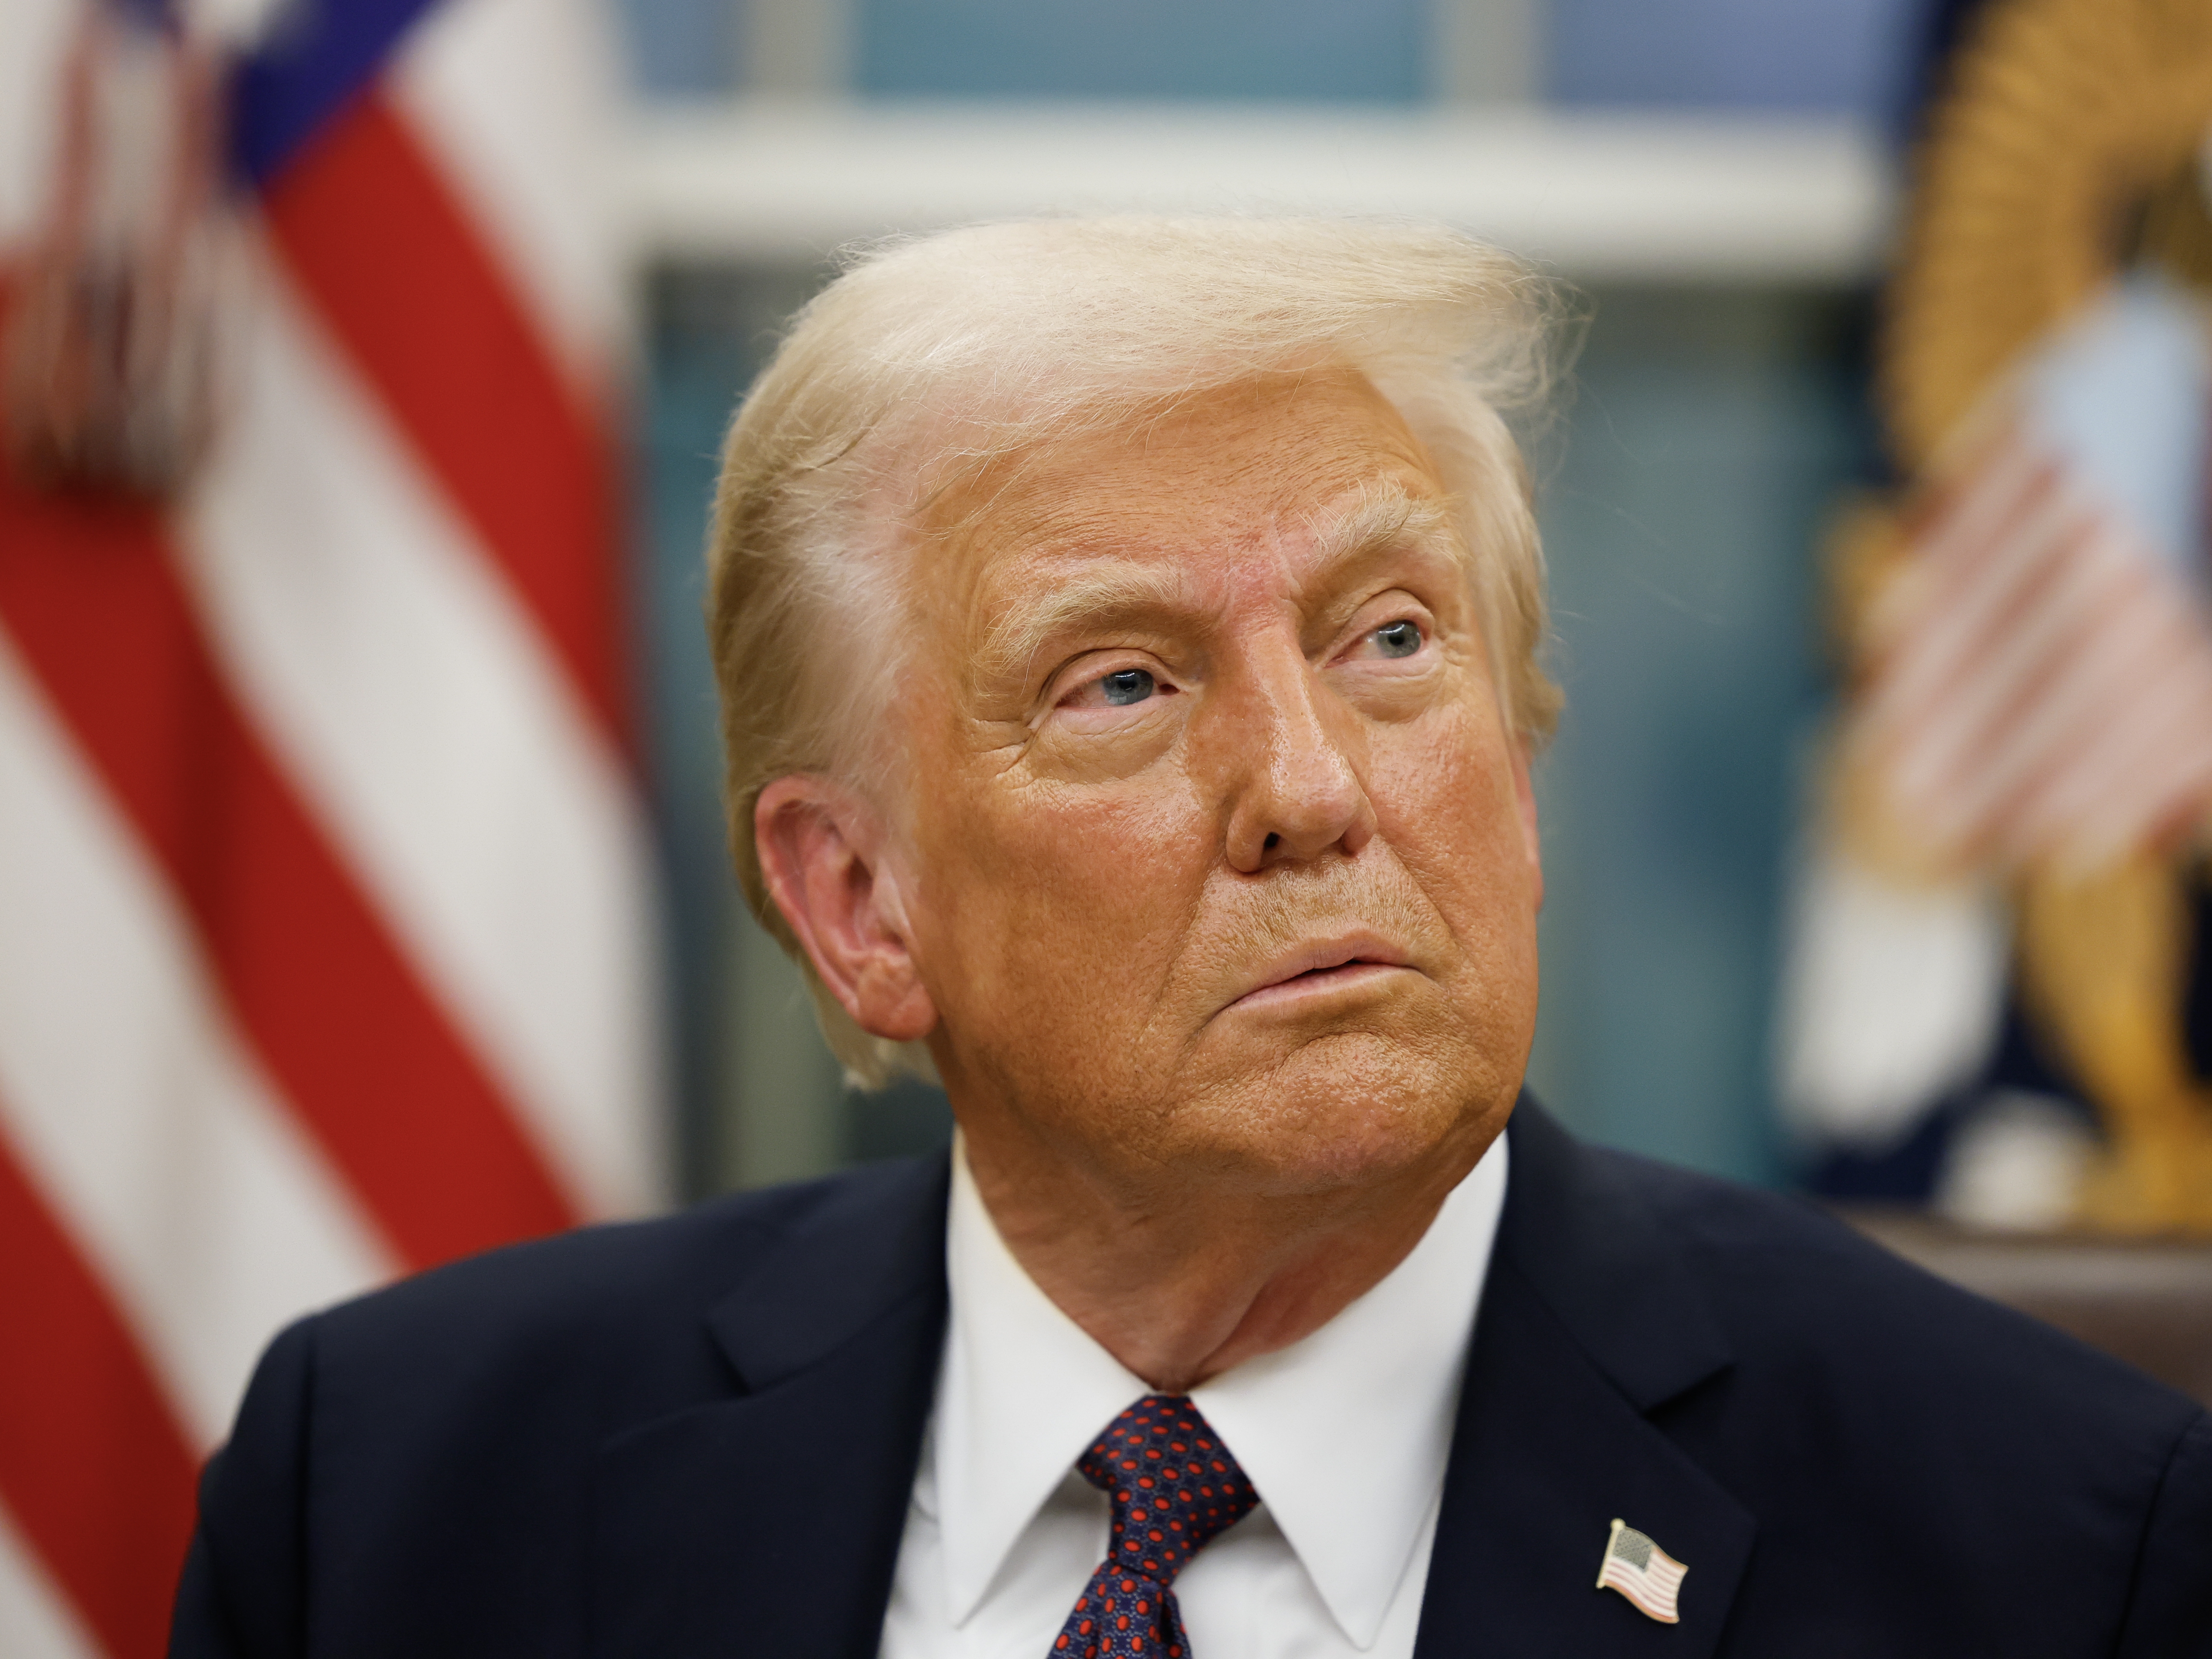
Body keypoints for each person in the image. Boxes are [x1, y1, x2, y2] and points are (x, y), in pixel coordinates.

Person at [170, 219, 2211, 1659]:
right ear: (860, 907)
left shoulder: (2055, 1546)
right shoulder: (401, 1498)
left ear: (1518, 751)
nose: (1312, 787)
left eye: (1392, 639)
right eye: (1121, 683)